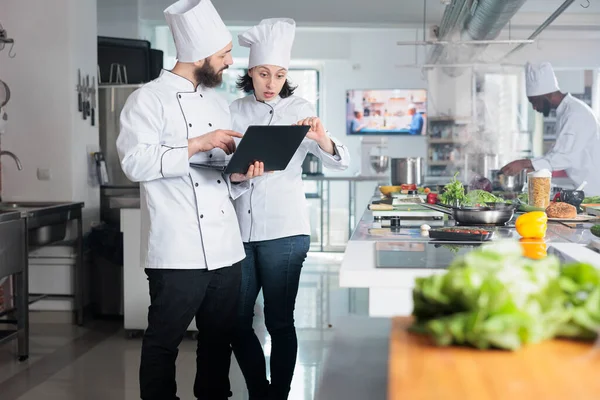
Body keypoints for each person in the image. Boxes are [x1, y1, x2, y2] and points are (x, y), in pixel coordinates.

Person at [116, 1, 264, 399]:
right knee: (163, 343)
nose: (231, 63)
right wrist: (196, 143)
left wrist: (242, 175)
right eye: (224, 55)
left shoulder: (216, 102)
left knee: (217, 342)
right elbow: (134, 162)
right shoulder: (147, 100)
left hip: (226, 249)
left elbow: (217, 178)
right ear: (199, 58)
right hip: (178, 251)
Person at [228, 18, 350, 400]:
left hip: (285, 232)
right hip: (238, 235)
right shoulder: (232, 110)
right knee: (236, 321)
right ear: (250, 72)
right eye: (263, 74)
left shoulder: (300, 108)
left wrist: (322, 137)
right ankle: (258, 390)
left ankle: (277, 394)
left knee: (280, 321)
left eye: (279, 75)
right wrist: (238, 177)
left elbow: (341, 163)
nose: (271, 83)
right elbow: (221, 169)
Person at [501, 62, 600, 196]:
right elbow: (558, 152)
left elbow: (564, 157)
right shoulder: (565, 112)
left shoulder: (575, 114)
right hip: (585, 189)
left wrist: (525, 163)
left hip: (594, 192)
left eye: (534, 101)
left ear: (546, 95)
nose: (535, 108)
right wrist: (531, 166)